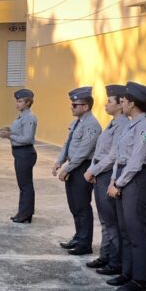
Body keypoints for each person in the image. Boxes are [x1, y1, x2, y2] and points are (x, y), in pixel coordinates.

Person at [107, 81, 146, 291]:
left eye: (125, 101)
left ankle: (140, 279)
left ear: (133, 103)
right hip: (124, 178)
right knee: (125, 229)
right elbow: (120, 156)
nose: (122, 103)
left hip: (137, 180)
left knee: (137, 232)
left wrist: (119, 183)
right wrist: (113, 180)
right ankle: (127, 272)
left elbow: (136, 161)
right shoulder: (131, 124)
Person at [84, 85, 129, 275]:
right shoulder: (112, 123)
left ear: (120, 105)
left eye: (110, 101)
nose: (106, 104)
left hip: (108, 174)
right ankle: (105, 255)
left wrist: (93, 170)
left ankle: (115, 261)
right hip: (100, 175)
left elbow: (112, 156)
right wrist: (93, 170)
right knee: (105, 220)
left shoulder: (123, 125)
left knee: (111, 221)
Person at [55, 87, 102, 255]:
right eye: (72, 104)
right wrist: (59, 161)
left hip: (82, 167)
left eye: (75, 105)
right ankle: (78, 236)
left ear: (86, 107)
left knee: (82, 206)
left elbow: (83, 150)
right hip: (73, 166)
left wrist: (67, 168)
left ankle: (85, 243)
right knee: (74, 205)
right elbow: (68, 144)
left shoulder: (92, 125)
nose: (72, 107)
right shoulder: (77, 122)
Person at [0, 89, 37, 223]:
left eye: (20, 101)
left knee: (25, 184)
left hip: (25, 152)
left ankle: (25, 214)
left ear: (28, 103)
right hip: (19, 152)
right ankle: (24, 212)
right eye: (17, 101)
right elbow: (19, 132)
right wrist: (9, 130)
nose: (17, 103)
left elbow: (27, 138)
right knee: (23, 184)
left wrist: (9, 135)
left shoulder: (29, 118)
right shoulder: (21, 116)